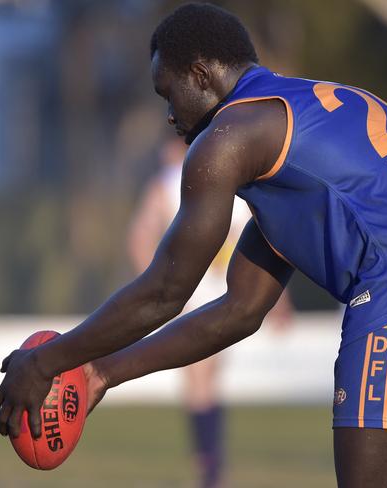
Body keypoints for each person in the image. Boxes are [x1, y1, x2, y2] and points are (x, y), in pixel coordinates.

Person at [0, 4, 387, 486]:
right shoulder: (300, 117)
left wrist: (46, 363)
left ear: (201, 74)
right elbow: (241, 309)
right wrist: (100, 371)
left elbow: (167, 288)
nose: (169, 115)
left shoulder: (230, 136)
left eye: (168, 92)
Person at [127, 137, 291, 488]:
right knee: (202, 380)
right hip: (221, 294)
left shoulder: (172, 183)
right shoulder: (230, 179)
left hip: (212, 294)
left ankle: (210, 464)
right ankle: (211, 465)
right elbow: (274, 239)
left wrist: (158, 290)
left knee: (202, 382)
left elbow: (140, 236)